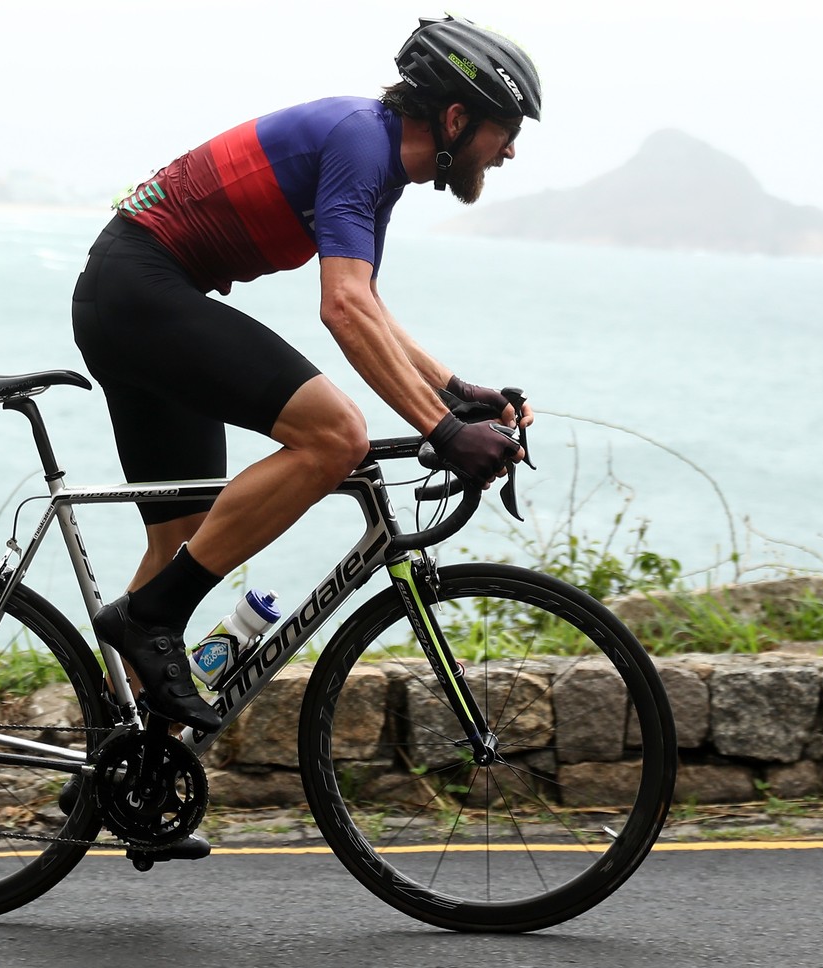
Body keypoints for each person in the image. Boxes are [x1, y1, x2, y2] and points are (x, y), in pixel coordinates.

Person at [71, 15, 542, 734]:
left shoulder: (377, 160)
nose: (510, 149)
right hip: (140, 290)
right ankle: (152, 619)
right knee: (335, 436)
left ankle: (121, 755)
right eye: (505, 129)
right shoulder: (362, 141)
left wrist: (455, 390)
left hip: (132, 296)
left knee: (188, 541)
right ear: (455, 117)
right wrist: (442, 432)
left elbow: (368, 304)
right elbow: (343, 308)